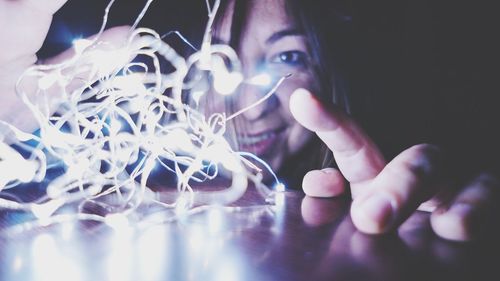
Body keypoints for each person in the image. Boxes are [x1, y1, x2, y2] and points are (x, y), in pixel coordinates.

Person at [0, 0, 497, 242]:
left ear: (329, 70)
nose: (251, 104)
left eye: (286, 59)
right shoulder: (110, 210)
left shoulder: (362, 211)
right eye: (219, 55)